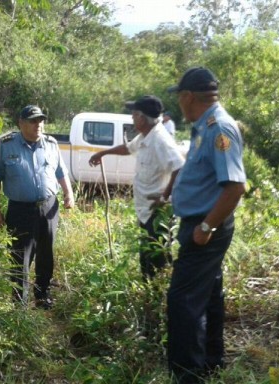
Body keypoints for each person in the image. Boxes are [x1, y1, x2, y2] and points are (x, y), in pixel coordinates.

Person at [166, 67, 246, 383]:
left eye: (179, 98)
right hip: (202, 224)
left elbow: (235, 186)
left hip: (205, 228)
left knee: (183, 302)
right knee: (209, 294)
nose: (179, 104)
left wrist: (206, 227)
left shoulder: (218, 128)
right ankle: (212, 363)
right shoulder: (206, 126)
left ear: (187, 97)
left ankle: (188, 375)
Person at [0, 105, 74, 309]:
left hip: (49, 207)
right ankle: (20, 302)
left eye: (41, 120)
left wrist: (69, 194)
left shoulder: (51, 144)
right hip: (19, 209)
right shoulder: (6, 145)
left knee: (46, 253)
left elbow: (61, 172)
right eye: (33, 121)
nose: (38, 125)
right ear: (21, 123)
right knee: (19, 255)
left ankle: (42, 295)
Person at [88, 95, 185, 280]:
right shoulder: (146, 136)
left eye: (134, 115)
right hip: (146, 211)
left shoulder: (160, 140)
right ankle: (150, 301)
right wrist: (103, 153)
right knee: (147, 261)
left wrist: (165, 197)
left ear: (142, 118)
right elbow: (128, 148)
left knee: (159, 261)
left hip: (158, 214)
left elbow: (179, 167)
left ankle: (158, 302)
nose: (132, 118)